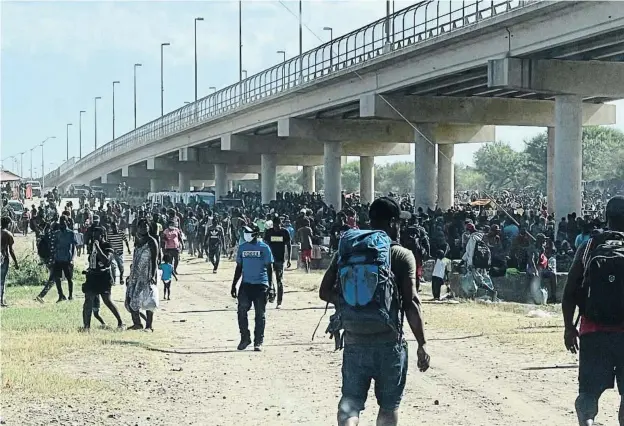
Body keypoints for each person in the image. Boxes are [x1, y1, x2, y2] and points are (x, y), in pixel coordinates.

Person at [319, 197, 429, 426]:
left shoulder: (348, 250)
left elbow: (324, 291)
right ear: (392, 223)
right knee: (389, 407)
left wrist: (351, 304)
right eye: (399, 222)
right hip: (389, 342)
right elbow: (412, 303)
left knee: (350, 403)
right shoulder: (401, 254)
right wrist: (422, 344)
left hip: (354, 340)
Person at [562, 195, 624, 426]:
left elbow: (569, 292)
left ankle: (588, 422)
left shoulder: (588, 246)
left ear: (607, 218)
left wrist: (569, 328)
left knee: (588, 393)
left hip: (593, 332)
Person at [230, 225, 275, 352]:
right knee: (241, 312)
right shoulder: (242, 248)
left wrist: (271, 287)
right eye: (244, 232)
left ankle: (258, 341)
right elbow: (239, 267)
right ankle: (245, 338)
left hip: (261, 285)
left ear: (255, 233)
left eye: (248, 232)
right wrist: (234, 284)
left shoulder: (264, 248)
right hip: (246, 285)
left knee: (260, 314)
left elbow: (270, 269)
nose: (245, 234)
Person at [81, 228, 124, 330]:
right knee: (88, 301)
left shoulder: (107, 246)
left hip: (103, 277)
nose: (94, 237)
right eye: (93, 235)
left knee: (107, 301)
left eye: (97, 235)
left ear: (102, 235)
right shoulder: (92, 245)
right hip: (92, 276)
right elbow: (92, 260)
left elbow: (107, 261)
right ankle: (86, 326)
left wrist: (97, 247)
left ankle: (120, 322)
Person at [126, 218, 159, 331]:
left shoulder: (152, 241)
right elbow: (135, 259)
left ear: (149, 227)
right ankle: (137, 323)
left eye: (145, 226)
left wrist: (153, 275)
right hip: (135, 275)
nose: (143, 228)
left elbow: (155, 260)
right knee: (131, 299)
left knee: (148, 300)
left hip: (148, 274)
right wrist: (130, 274)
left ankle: (149, 326)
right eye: (141, 226)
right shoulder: (137, 240)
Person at [264, 216, 292, 309]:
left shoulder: (285, 232)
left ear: (281, 224)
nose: (276, 228)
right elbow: (265, 245)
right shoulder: (269, 232)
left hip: (280, 260)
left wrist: (289, 259)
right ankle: (272, 294)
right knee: (269, 280)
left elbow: (289, 245)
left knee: (279, 280)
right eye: (275, 226)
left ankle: (279, 301)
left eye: (278, 226)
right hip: (270, 259)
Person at [52, 215, 77, 302]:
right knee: (56, 277)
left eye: (64, 222)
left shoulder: (71, 233)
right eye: (61, 222)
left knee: (69, 278)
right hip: (58, 258)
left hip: (67, 258)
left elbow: (74, 246)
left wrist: (72, 259)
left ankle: (70, 295)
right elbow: (54, 245)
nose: (62, 224)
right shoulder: (57, 233)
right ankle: (61, 295)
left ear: (67, 222)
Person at [1, 216, 19, 307]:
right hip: (4, 258)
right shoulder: (8, 234)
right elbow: (11, 250)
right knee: (2, 280)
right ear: (8, 224)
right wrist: (16, 262)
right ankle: (1, 300)